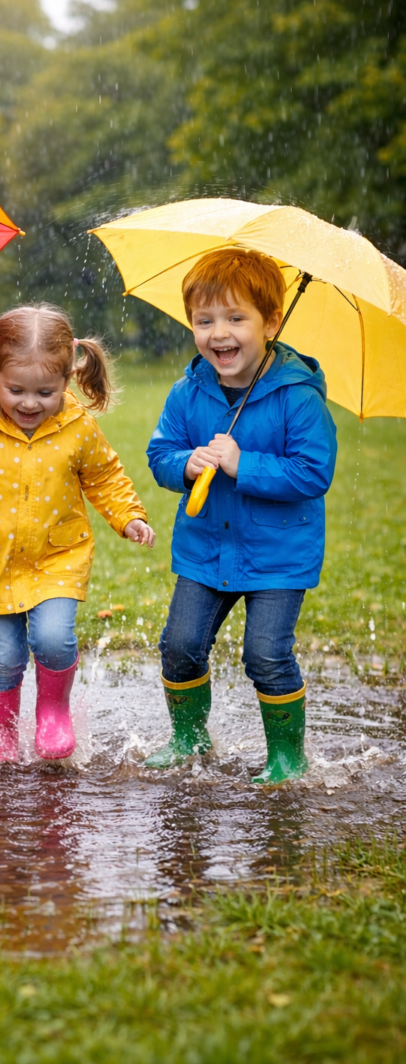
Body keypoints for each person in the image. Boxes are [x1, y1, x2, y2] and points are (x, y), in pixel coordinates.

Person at [0, 304, 155, 763]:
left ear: (67, 379)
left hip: (57, 558)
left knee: (53, 640)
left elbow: (105, 477)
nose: (29, 403)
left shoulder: (77, 427)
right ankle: (0, 732)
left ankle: (53, 711)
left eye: (45, 392)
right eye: (16, 390)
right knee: (3, 658)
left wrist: (128, 517)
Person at [147, 248, 337, 783]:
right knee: (180, 646)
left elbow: (313, 472)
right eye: (204, 321)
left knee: (266, 655)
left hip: (279, 555)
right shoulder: (188, 392)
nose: (219, 334)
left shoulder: (297, 398)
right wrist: (186, 465)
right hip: (205, 549)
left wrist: (242, 463)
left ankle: (286, 758)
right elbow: (160, 454)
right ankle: (188, 738)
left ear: (271, 323)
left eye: (235, 318)